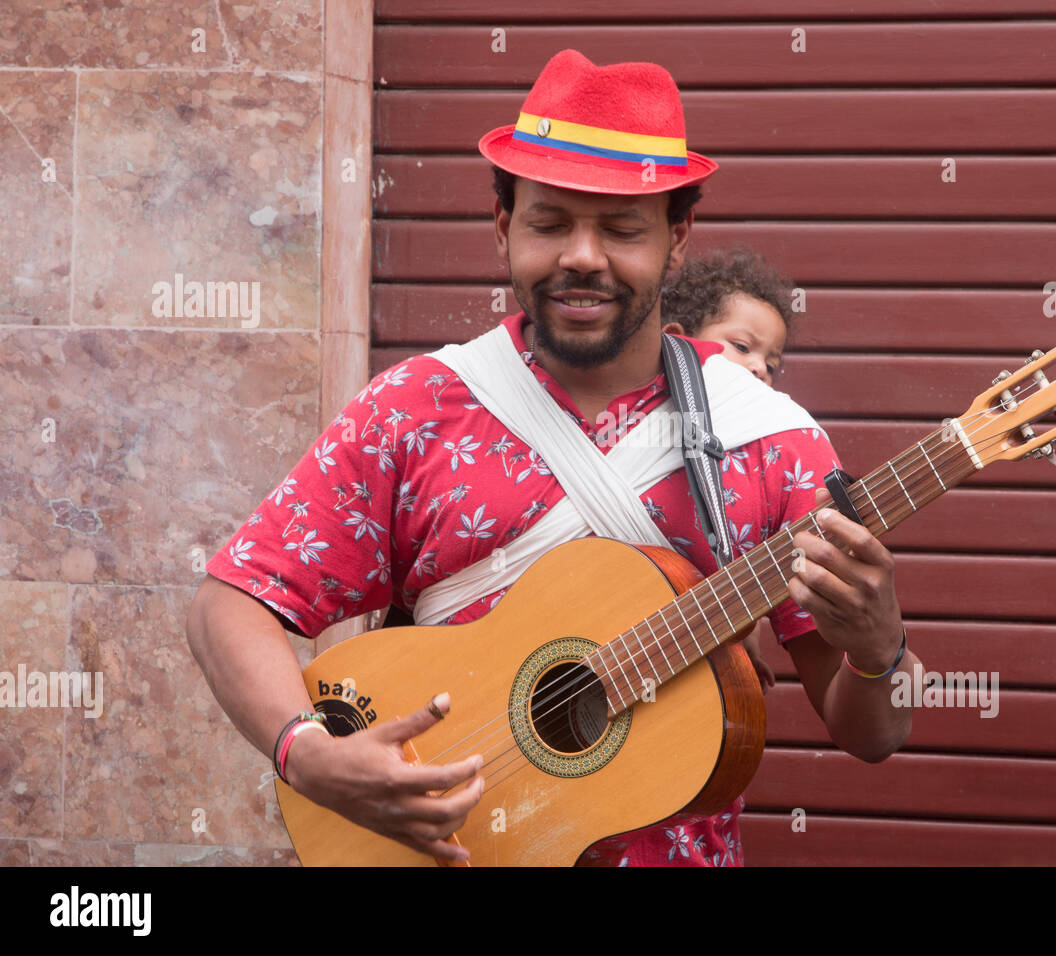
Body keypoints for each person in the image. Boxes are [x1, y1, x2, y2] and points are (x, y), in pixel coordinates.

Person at [186, 49, 919, 867]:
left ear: (678, 240)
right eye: (549, 221)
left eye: (620, 227)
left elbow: (874, 735)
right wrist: (305, 752)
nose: (582, 255)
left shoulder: (768, 438)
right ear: (503, 227)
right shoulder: (415, 410)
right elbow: (231, 602)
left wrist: (878, 650)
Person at [660, 247, 798, 690]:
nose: (759, 368)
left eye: (772, 364)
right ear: (678, 341)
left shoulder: (769, 452)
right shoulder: (638, 426)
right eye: (742, 347)